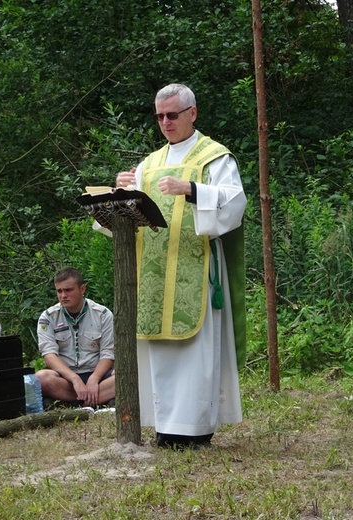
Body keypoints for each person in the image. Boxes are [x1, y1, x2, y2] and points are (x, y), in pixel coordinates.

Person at [116, 83, 246, 450]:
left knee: (195, 351)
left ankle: (196, 429)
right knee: (160, 352)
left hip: (195, 265)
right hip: (155, 271)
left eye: (172, 114)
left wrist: (191, 189)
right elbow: (124, 217)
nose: (165, 122)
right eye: (159, 116)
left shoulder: (215, 157)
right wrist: (122, 188)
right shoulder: (150, 163)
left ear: (193, 112)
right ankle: (164, 427)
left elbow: (235, 203)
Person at [36, 268, 115, 407]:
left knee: (127, 376)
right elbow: (49, 355)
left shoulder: (102, 314)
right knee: (41, 378)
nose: (63, 295)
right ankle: (92, 400)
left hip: (98, 375)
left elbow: (108, 353)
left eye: (68, 290)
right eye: (59, 291)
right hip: (66, 379)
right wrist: (74, 379)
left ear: (82, 289)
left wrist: (94, 379)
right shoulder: (48, 317)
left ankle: (74, 402)